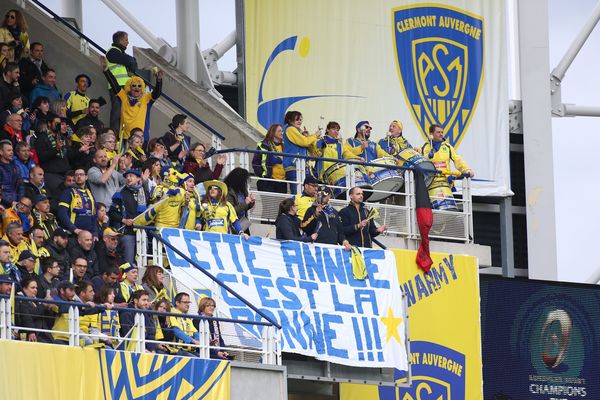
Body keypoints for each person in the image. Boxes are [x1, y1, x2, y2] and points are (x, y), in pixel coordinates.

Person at [101, 56, 163, 147]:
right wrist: (106, 71)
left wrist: (159, 81)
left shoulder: (146, 98)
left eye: (139, 86)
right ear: (129, 87)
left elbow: (156, 93)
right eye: (134, 85)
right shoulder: (124, 96)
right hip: (125, 138)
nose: (137, 88)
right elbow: (115, 85)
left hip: (141, 138)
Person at [420, 123, 475, 209]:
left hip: (445, 182)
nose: (441, 134)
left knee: (449, 209)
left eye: (442, 132)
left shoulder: (448, 147)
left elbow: (458, 160)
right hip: (431, 183)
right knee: (435, 212)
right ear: (431, 134)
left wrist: (467, 169)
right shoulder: (424, 148)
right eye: (438, 132)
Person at [109, 169, 148, 263]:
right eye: (127, 176)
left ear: (138, 178)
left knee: (143, 261)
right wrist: (124, 220)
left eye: (131, 176)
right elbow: (112, 212)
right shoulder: (120, 192)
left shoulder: (144, 191)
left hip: (142, 232)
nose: (129, 178)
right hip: (127, 232)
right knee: (128, 262)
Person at [105, 31, 138, 132]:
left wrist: (132, 61)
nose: (128, 42)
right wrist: (132, 60)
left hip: (125, 87)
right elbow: (130, 61)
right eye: (126, 40)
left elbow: (132, 62)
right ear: (120, 40)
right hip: (116, 87)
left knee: (125, 113)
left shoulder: (120, 53)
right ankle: (114, 135)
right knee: (117, 112)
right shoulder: (112, 51)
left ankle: (123, 134)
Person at [282, 110, 320, 194]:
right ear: (290, 120)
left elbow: (314, 154)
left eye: (300, 119)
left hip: (304, 168)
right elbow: (304, 142)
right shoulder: (290, 129)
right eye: (297, 119)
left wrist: (309, 137)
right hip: (294, 167)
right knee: (297, 195)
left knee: (309, 195)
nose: (299, 121)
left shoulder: (299, 132)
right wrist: (314, 136)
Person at [35, 115, 70, 198]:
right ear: (49, 123)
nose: (58, 126)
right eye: (56, 123)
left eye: (60, 124)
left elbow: (68, 155)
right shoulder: (42, 137)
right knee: (59, 197)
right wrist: (56, 149)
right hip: (51, 173)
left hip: (64, 173)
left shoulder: (62, 137)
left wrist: (79, 151)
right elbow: (42, 157)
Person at [57, 168, 98, 238]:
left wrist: (95, 233)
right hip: (74, 234)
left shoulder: (90, 194)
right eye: (76, 175)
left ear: (86, 177)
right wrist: (74, 229)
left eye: (81, 174)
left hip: (88, 235)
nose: (79, 176)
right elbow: (62, 213)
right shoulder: (68, 192)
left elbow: (93, 216)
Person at [15, 277, 53, 343]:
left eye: (36, 288)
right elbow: (30, 314)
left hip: (45, 334)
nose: (35, 290)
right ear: (24, 289)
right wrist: (43, 305)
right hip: (32, 334)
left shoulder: (37, 300)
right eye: (32, 288)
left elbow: (48, 319)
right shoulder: (20, 299)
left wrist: (49, 308)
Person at [252, 123, 286, 193]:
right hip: (268, 181)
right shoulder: (264, 145)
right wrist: (262, 175)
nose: (282, 133)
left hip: (282, 182)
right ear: (273, 132)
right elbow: (255, 163)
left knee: (282, 204)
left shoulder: (284, 146)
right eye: (279, 131)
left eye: (282, 131)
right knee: (269, 204)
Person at [169, 292, 201, 357]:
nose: (188, 305)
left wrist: (199, 341)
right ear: (177, 303)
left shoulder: (187, 317)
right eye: (185, 302)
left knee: (204, 358)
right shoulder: (172, 313)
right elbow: (176, 331)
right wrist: (193, 341)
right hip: (177, 350)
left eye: (188, 302)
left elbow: (195, 332)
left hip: (190, 350)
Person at [224, 168, 255, 234]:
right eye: (244, 180)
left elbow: (245, 207)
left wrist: (251, 202)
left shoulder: (242, 190)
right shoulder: (228, 192)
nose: (245, 182)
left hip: (243, 223)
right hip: (233, 224)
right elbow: (231, 211)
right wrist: (245, 203)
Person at [0, 139, 23, 207]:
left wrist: (20, 201)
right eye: (9, 150)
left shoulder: (15, 167)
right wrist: (11, 202)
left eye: (12, 150)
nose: (12, 152)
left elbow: (21, 186)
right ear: (1, 152)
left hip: (16, 204)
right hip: (3, 205)